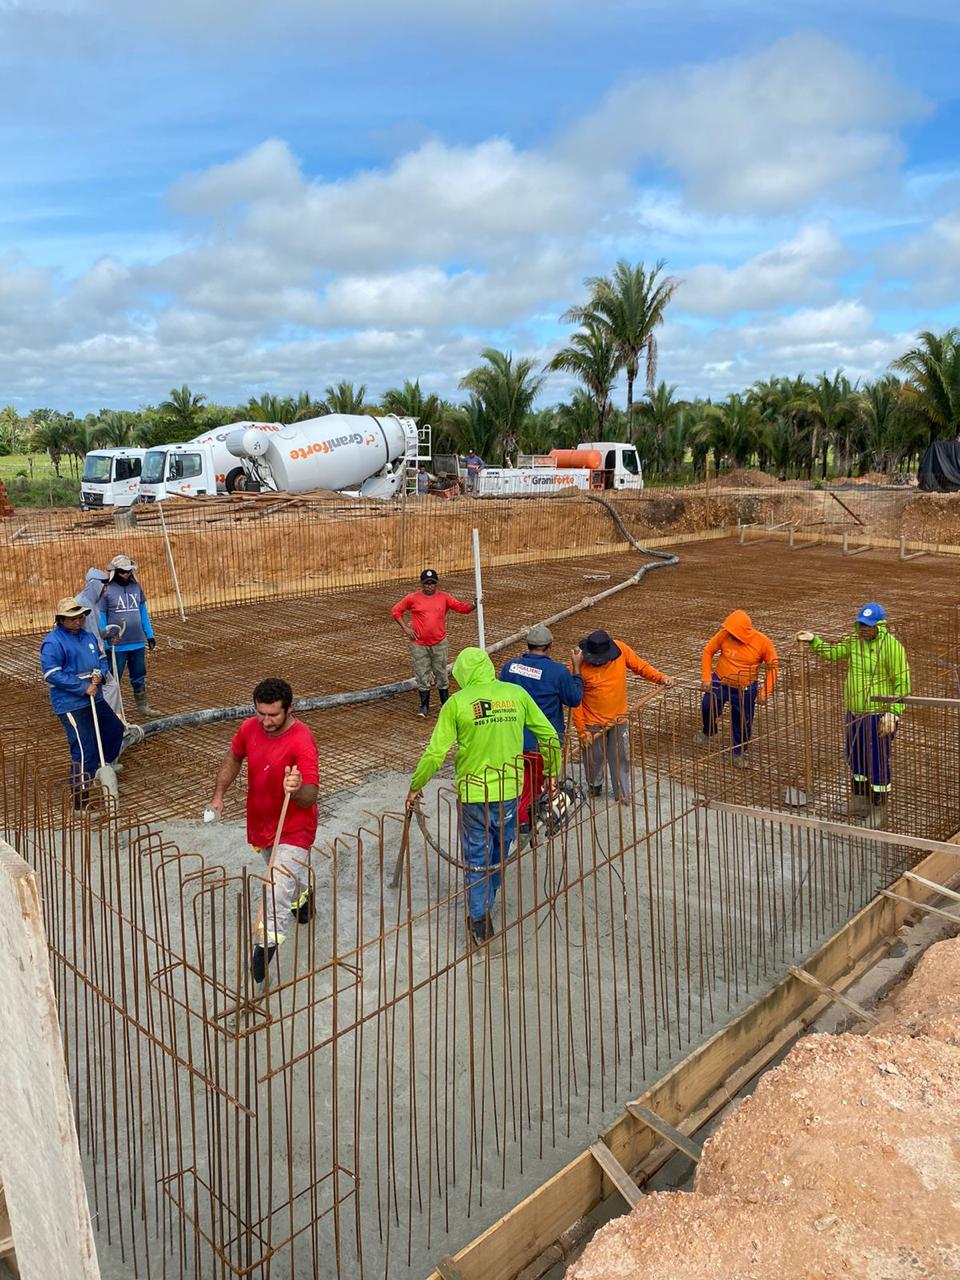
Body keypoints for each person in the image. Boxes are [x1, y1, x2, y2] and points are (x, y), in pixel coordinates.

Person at [406, 647, 560, 945]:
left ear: (462, 673)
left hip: (474, 795)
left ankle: (479, 917)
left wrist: (416, 784)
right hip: (509, 791)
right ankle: (485, 901)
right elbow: (549, 736)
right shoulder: (516, 694)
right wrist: (552, 771)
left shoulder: (457, 703)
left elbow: (436, 753)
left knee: (477, 855)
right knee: (500, 850)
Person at [208, 678, 320, 982]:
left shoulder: (302, 740)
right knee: (285, 878)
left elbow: (311, 794)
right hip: (262, 823)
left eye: (273, 715)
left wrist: (295, 790)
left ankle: (262, 953)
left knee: (275, 890)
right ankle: (304, 900)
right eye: (261, 713)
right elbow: (234, 757)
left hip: (295, 828)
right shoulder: (249, 728)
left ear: (289, 709)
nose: (266, 721)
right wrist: (219, 794)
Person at [798, 603, 910, 826]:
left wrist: (893, 713)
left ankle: (879, 810)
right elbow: (833, 652)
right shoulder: (854, 641)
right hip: (855, 713)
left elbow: (902, 683)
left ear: (880, 626)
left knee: (877, 761)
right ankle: (859, 802)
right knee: (855, 756)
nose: (863, 630)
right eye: (860, 625)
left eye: (868, 626)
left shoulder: (892, 647)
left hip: (878, 715)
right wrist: (814, 640)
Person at [40, 596, 125, 808]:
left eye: (81, 617)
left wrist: (100, 675)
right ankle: (80, 800)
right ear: (61, 620)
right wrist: (81, 687)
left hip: (94, 698)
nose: (78, 621)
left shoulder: (88, 636)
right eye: (72, 618)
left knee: (115, 728)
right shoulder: (53, 642)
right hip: (71, 704)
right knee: (83, 748)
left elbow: (102, 660)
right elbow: (51, 673)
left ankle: (99, 767)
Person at [499, 623, 583, 830]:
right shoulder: (558, 672)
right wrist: (577, 670)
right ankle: (525, 820)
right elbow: (574, 699)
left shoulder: (510, 666)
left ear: (527, 644)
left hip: (513, 738)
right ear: (549, 646)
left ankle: (516, 813)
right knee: (535, 783)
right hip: (542, 741)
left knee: (516, 779)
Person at [573, 629, 674, 801]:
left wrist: (660, 678)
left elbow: (640, 666)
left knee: (620, 757)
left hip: (618, 718)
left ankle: (621, 792)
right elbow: (575, 700)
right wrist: (582, 731)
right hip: (592, 722)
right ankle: (594, 785)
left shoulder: (621, 650)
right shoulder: (578, 665)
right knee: (593, 758)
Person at [697, 610, 778, 766]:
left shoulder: (762, 642)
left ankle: (738, 753)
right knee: (707, 707)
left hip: (745, 688)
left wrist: (764, 691)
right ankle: (708, 730)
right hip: (720, 682)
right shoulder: (724, 635)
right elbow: (708, 651)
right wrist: (706, 676)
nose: (730, 634)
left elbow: (773, 667)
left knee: (742, 721)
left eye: (733, 632)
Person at [392, 569, 477, 717]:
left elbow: (461, 608)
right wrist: (406, 628)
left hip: (439, 643)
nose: (429, 586)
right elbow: (396, 611)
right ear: (422, 584)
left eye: (432, 583)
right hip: (419, 644)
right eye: (426, 583)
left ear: (436, 584)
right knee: (422, 673)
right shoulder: (413, 598)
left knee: (441, 672)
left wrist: (474, 605)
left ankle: (445, 703)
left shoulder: (444, 597)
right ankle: (424, 705)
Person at [101, 554, 158, 719]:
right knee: (114, 679)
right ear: (115, 571)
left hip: (137, 641)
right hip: (117, 644)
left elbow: (143, 612)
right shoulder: (106, 591)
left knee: (139, 674)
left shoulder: (136, 587)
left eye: (128, 571)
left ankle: (143, 707)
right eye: (122, 572)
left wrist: (150, 634)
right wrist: (106, 637)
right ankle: (113, 711)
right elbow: (102, 616)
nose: (125, 575)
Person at [76, 566, 125, 718]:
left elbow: (96, 634)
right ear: (95, 585)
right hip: (87, 660)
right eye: (103, 587)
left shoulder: (94, 604)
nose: (105, 590)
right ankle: (111, 723)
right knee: (109, 687)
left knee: (110, 687)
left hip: (98, 657)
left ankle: (112, 722)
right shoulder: (79, 604)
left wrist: (110, 636)